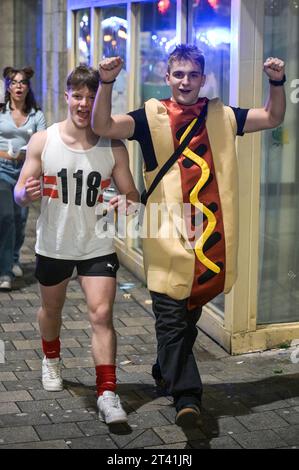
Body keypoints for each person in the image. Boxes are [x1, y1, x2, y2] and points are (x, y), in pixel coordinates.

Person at [91, 45, 286, 427]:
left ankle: (165, 371)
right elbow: (103, 126)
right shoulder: (150, 117)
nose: (185, 81)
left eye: (192, 75)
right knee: (172, 319)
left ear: (203, 78)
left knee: (186, 319)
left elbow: (272, 116)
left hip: (210, 244)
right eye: (178, 74)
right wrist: (106, 81)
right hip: (166, 238)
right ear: (167, 77)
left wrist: (276, 81)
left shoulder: (222, 115)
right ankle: (188, 397)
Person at [14, 65, 139, 425]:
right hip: (53, 245)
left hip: (97, 246)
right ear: (67, 96)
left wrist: (127, 201)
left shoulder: (113, 145)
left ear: (100, 99)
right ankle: (51, 359)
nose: (85, 104)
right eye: (79, 96)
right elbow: (20, 192)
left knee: (101, 314)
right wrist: (26, 193)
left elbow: (131, 194)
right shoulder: (43, 140)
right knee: (51, 311)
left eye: (92, 97)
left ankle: (108, 392)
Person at [0, 66, 46, 291]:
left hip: (25, 171)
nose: (18, 86)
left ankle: (15, 258)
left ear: (28, 87)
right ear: (8, 87)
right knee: (7, 218)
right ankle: (5, 271)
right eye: (14, 82)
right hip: (1, 170)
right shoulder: (0, 112)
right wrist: (6, 154)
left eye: (23, 82)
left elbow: (44, 142)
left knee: (20, 219)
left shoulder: (36, 115)